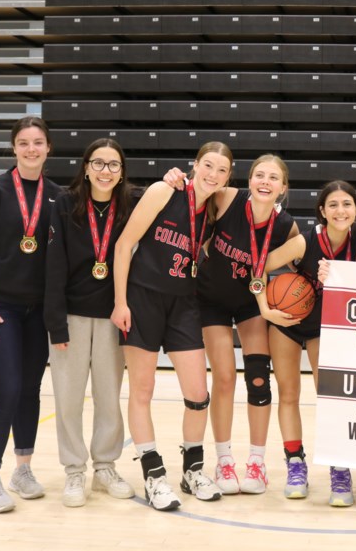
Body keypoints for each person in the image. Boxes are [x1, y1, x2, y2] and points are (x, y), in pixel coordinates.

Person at [163, 155, 298, 496]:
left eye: (273, 178)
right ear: (249, 180)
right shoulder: (227, 199)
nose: (265, 182)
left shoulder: (287, 228)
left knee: (257, 378)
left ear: (283, 187)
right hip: (210, 299)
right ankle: (224, 460)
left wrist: (271, 305)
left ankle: (257, 462)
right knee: (223, 378)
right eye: (259, 175)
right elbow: (192, 194)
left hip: (251, 303)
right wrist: (175, 177)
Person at [110, 141, 231, 511]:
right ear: (193, 165)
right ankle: (153, 475)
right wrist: (120, 302)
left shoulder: (216, 206)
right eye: (207, 165)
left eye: (222, 170)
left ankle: (192, 470)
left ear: (228, 177)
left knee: (198, 395)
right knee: (142, 390)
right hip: (143, 298)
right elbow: (124, 244)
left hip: (183, 303)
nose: (213, 174)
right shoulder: (165, 190)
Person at [0, 116, 62, 513]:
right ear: (14, 148)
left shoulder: (58, 196)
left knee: (31, 392)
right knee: (6, 391)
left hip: (38, 312)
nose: (31, 149)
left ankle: (23, 469)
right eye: (24, 143)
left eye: (38, 142)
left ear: (49, 147)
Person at [256, 181, 356, 507]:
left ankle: (338, 465)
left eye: (347, 204)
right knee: (288, 394)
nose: (340, 211)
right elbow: (258, 267)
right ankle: (295, 463)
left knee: (330, 398)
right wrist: (266, 309)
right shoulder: (305, 242)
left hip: (325, 328)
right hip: (287, 324)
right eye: (332, 205)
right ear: (322, 211)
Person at [44, 139, 136, 507]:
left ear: (122, 172)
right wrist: (56, 323)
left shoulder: (130, 203)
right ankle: (73, 471)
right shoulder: (66, 204)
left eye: (114, 165)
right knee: (68, 399)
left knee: (108, 398)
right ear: (85, 167)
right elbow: (52, 265)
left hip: (114, 315)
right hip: (71, 314)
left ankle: (105, 466)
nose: (105, 171)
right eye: (98, 163)